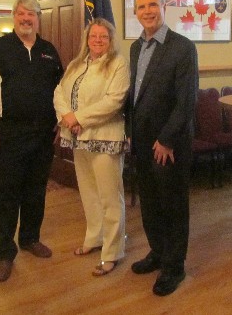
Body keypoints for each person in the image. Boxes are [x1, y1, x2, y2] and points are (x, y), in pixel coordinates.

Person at [0, 0, 63, 283]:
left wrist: (61, 120)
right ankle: (3, 254)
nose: (26, 18)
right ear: (13, 16)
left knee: (36, 190)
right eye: (21, 14)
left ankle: (30, 238)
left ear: (38, 18)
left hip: (43, 133)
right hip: (8, 134)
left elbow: (60, 91)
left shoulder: (49, 51)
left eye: (32, 14)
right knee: (6, 194)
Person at [126, 0, 198, 296]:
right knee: (150, 203)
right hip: (141, 142)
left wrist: (167, 139)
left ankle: (174, 266)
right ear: (135, 12)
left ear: (164, 5)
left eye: (152, 5)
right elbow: (135, 97)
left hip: (169, 144)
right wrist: (129, 132)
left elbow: (186, 101)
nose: (147, 12)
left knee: (172, 204)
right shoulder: (134, 48)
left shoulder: (182, 47)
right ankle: (157, 252)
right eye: (141, 7)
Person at [53, 18, 129, 277]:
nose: (97, 40)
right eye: (93, 36)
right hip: (78, 137)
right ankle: (95, 238)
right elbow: (59, 93)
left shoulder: (118, 64)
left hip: (105, 137)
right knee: (88, 193)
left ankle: (113, 251)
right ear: (87, 39)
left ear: (111, 40)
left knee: (110, 197)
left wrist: (79, 118)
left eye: (103, 37)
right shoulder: (76, 64)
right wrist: (67, 117)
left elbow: (114, 101)